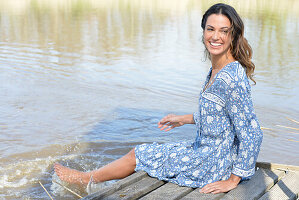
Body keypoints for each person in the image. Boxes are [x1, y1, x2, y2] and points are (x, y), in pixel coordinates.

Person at [54, 3, 263, 194]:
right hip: (210, 155)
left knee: (140, 153)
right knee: (154, 150)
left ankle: (84, 178)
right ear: (203, 32)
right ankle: (92, 178)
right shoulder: (219, 70)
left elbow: (252, 133)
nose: (215, 36)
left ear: (233, 35)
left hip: (211, 165)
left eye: (223, 31)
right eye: (211, 29)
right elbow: (220, 117)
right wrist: (184, 119)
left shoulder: (230, 79)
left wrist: (233, 179)